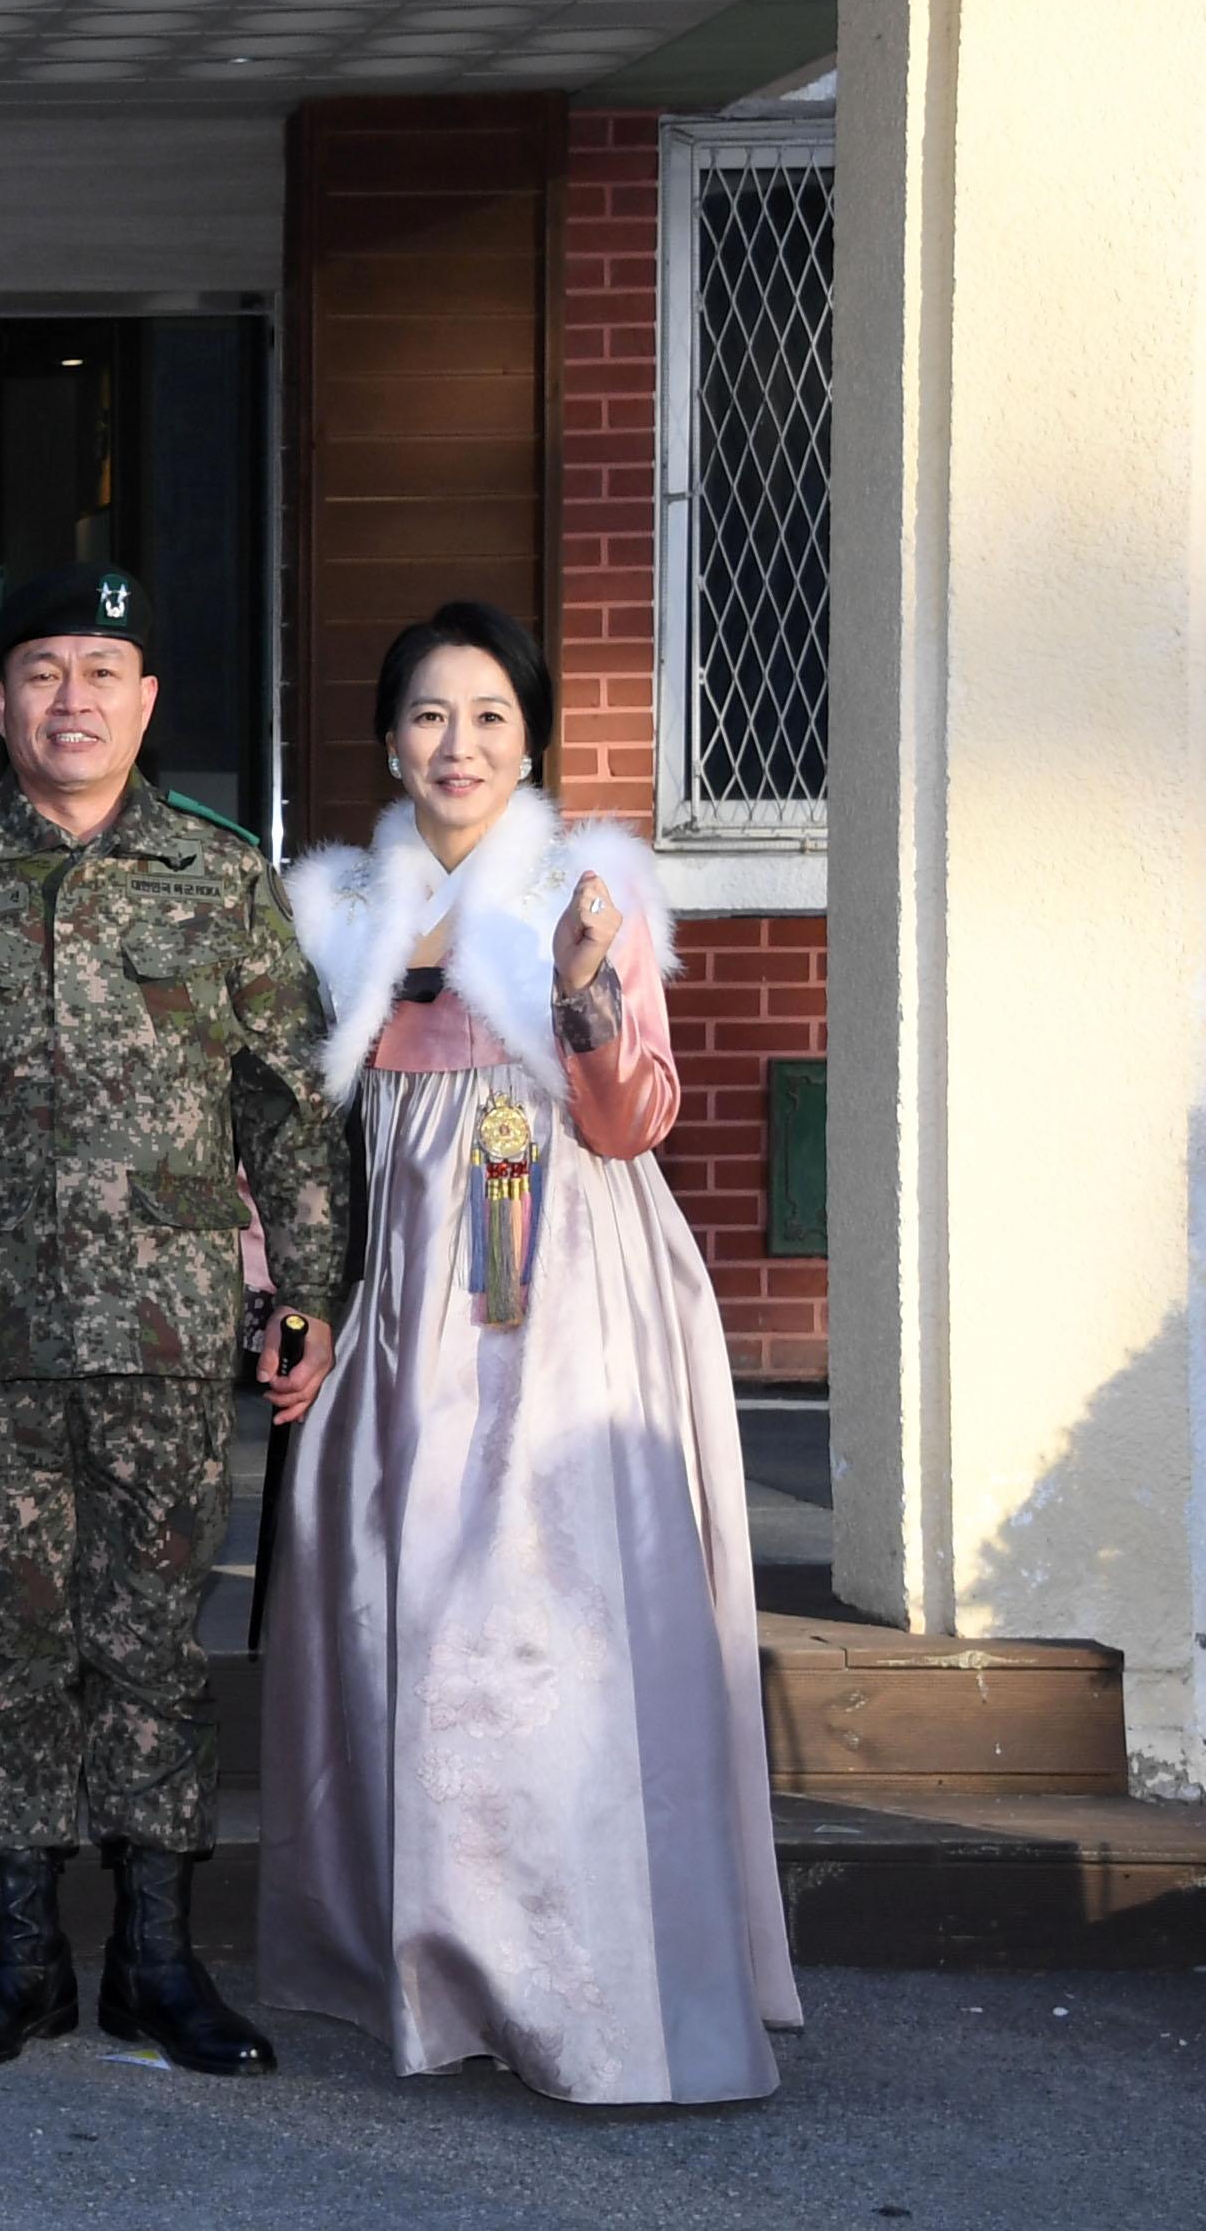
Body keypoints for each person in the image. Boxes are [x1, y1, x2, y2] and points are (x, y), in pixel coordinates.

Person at [0, 561, 349, 2079]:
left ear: (147, 701)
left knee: (155, 1653)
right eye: (43, 672)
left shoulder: (223, 878)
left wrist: (307, 1290)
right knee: (13, 1648)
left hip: (166, 1340)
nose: (74, 698)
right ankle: (19, 1955)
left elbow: (288, 1104)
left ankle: (158, 1960)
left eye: (104, 671)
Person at [256, 599, 800, 2105]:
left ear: (531, 740)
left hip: (559, 1287)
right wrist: (278, 1289)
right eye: (431, 715)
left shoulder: (591, 883)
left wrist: (581, 988)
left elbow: (632, 1121)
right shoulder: (336, 911)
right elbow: (286, 1139)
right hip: (406, 1284)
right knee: (401, 1594)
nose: (460, 745)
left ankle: (572, 1963)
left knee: (546, 1608)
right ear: (387, 739)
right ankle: (420, 1956)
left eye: (491, 716)